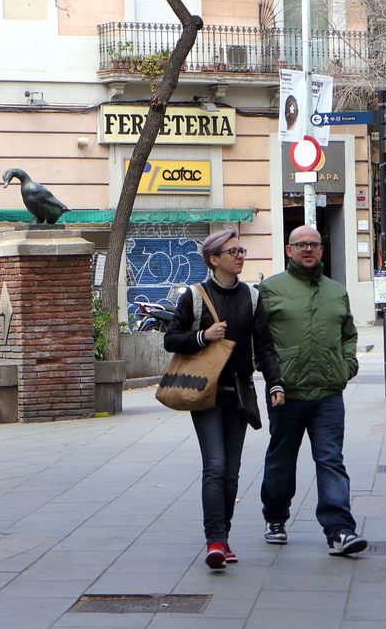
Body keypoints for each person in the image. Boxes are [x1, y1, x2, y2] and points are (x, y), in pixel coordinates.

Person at [164, 226, 285, 570]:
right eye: (233, 252)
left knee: (231, 473)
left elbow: (264, 346)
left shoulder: (253, 297)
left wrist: (275, 383)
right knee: (215, 466)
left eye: (241, 250)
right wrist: (203, 336)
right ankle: (214, 540)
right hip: (205, 392)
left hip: (240, 392)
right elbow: (171, 339)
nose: (240, 256)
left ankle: (224, 536)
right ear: (213, 259)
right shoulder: (195, 296)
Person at [259, 225, 368, 556]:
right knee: (281, 459)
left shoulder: (337, 292)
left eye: (314, 244)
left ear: (322, 250)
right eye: (301, 244)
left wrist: (347, 365)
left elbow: (349, 333)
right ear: (289, 250)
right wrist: (272, 374)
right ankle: (275, 517)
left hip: (328, 394)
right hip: (285, 392)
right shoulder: (270, 290)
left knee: (331, 459)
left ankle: (339, 530)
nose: (308, 249)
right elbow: (259, 340)